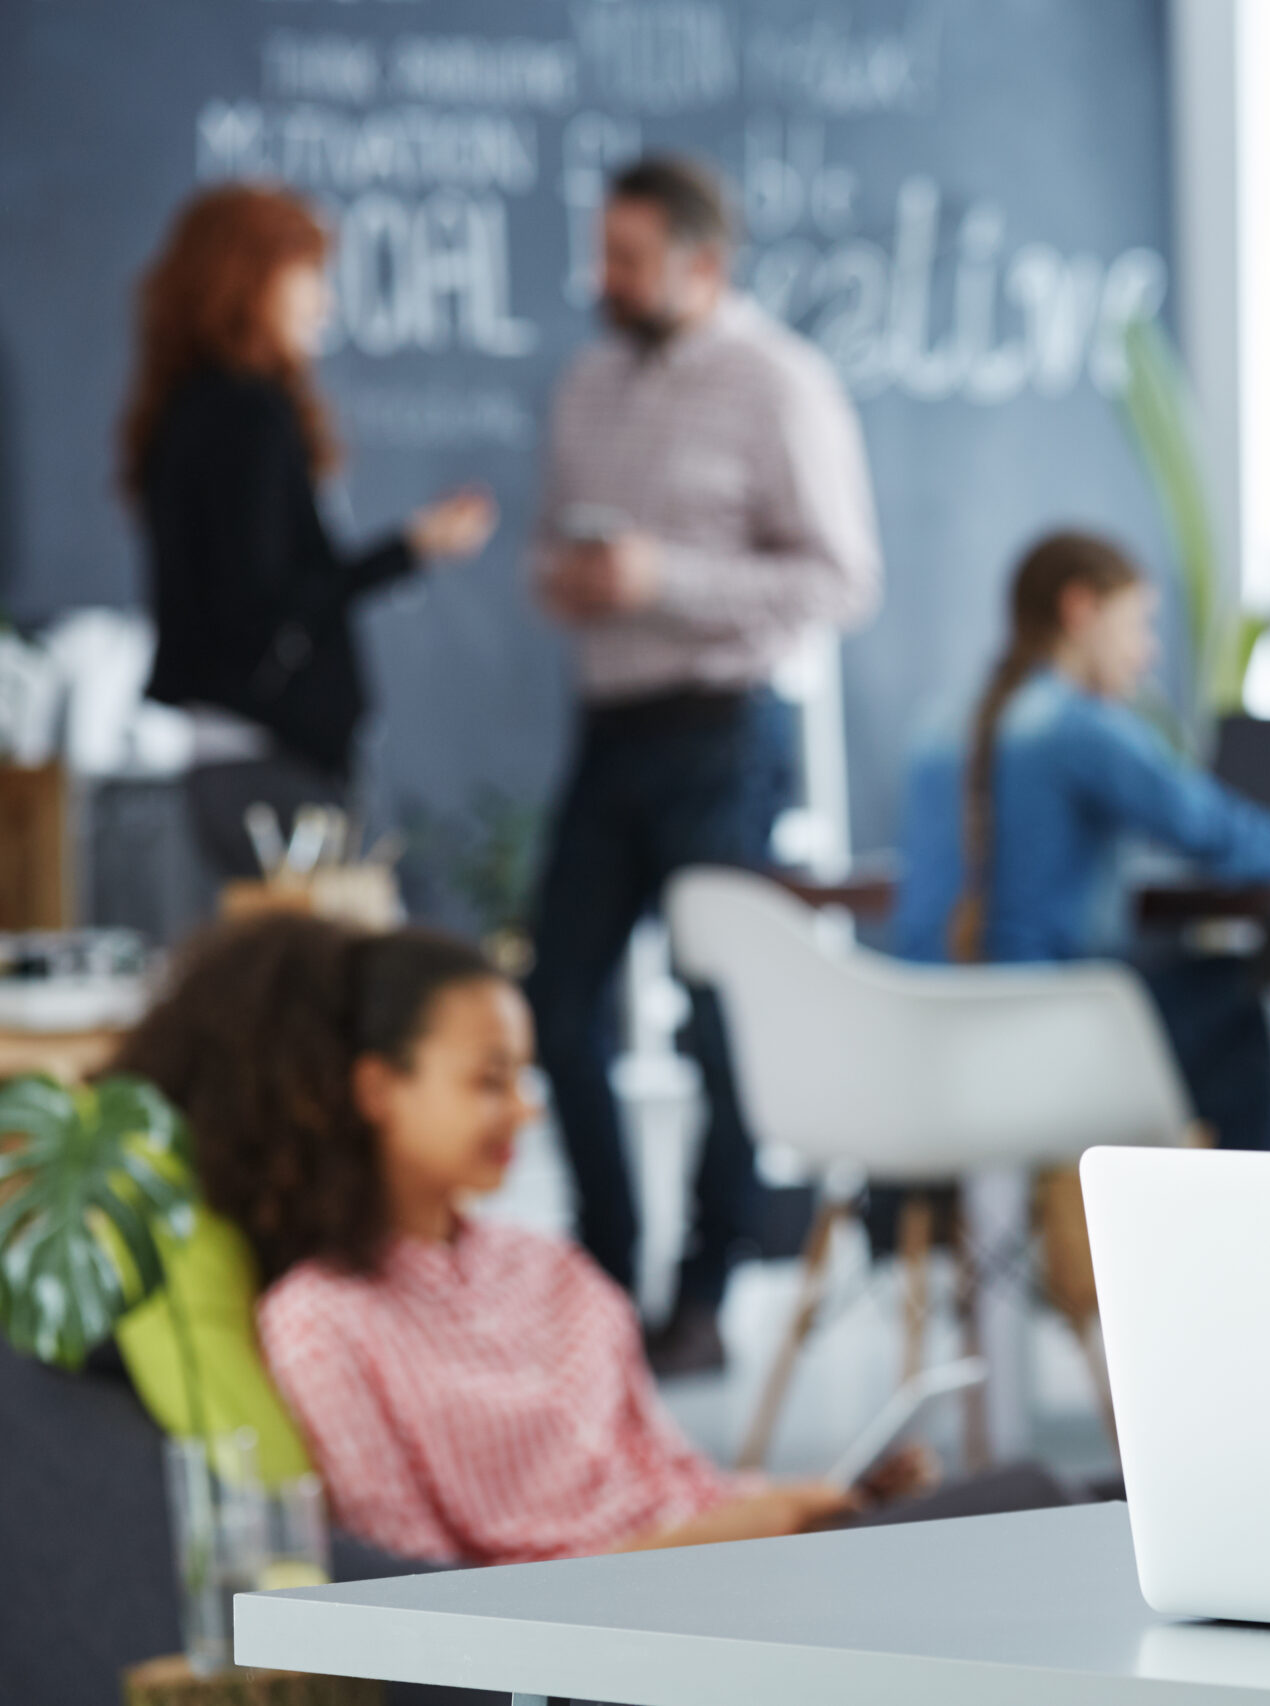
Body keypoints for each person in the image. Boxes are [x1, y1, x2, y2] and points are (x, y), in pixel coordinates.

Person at [110, 915, 932, 1567]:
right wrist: (728, 1539)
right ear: (376, 1088)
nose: (526, 1109)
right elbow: (418, 1595)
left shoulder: (551, 1270)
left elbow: (674, 1480)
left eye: (525, 1078)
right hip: (615, 1639)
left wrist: (818, 1497)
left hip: (734, 1571)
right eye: (488, 1080)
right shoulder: (323, 1322)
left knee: (1005, 1506)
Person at [524, 154, 883, 1375]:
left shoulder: (780, 383)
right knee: (555, 1008)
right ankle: (605, 1282)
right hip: (607, 726)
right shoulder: (585, 383)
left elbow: (841, 579)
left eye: (626, 258)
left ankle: (704, 1295)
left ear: (701, 263)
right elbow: (556, 544)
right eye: (602, 252)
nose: (602, 278)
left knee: (721, 1023)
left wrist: (663, 578)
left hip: (727, 732)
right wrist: (571, 580)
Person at [892, 531, 1270, 1149]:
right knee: (1239, 1002)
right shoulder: (1084, 731)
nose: (1148, 653)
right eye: (1138, 625)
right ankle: (1250, 1231)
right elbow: (1230, 840)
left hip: (932, 1048)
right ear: (1080, 610)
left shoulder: (936, 725)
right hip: (1044, 1042)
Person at [123, 183, 495, 883]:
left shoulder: (182, 415)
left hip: (220, 759)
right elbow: (268, 602)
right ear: (250, 279)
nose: (325, 301)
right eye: (312, 276)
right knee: (318, 984)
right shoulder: (251, 415)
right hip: (277, 765)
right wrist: (412, 549)